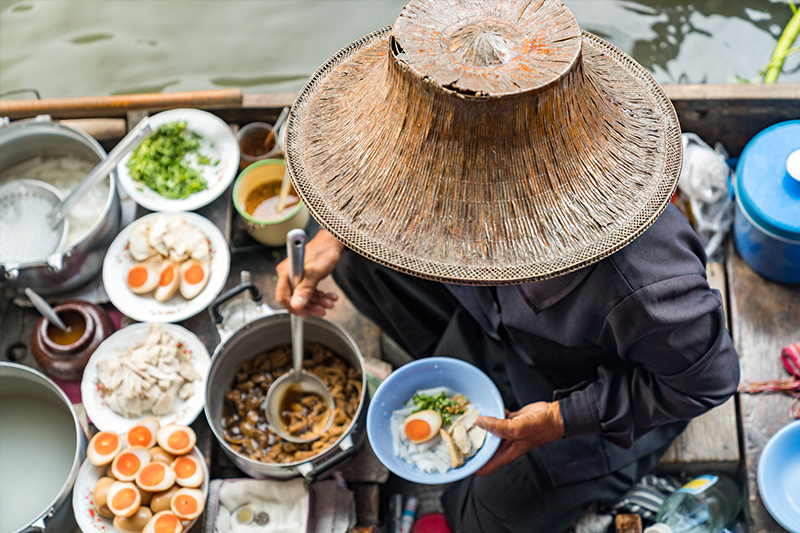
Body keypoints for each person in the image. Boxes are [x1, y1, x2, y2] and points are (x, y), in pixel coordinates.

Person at [273, 0, 740, 531]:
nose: (425, 208)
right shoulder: (430, 167)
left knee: (477, 518)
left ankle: (552, 430)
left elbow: (709, 382)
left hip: (579, 381)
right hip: (497, 322)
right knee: (355, 258)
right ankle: (467, 365)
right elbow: (385, 176)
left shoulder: (645, 285)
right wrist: (333, 235)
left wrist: (561, 419)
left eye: (441, 200)